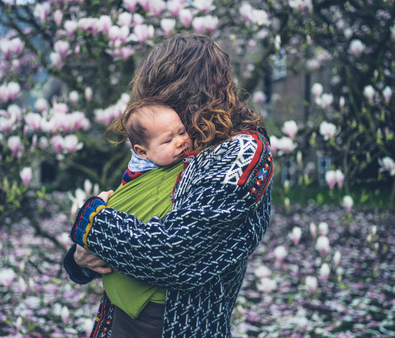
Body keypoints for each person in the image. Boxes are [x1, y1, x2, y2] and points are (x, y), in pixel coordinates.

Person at [64, 34, 273, 338]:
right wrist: (79, 259)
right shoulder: (171, 145)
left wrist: (90, 222)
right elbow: (133, 212)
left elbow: (172, 254)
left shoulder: (242, 152)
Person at [98, 102, 194, 335]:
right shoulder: (141, 172)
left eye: (182, 132)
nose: (180, 141)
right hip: (126, 299)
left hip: (151, 303)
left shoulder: (180, 166)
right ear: (142, 151)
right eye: (168, 140)